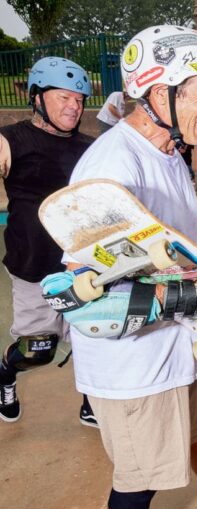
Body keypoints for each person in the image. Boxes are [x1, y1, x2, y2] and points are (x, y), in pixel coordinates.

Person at [40, 26, 197, 509]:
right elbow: (83, 295)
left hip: (178, 345)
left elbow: (161, 253)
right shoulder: (112, 167)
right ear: (159, 93)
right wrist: (195, 294)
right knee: (139, 483)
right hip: (133, 367)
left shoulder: (170, 152)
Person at [0, 56, 97, 426]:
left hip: (82, 267)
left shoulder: (91, 148)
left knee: (95, 339)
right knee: (37, 350)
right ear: (38, 97)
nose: (74, 107)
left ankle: (92, 402)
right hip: (33, 266)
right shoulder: (13, 139)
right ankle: (4, 373)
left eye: (79, 100)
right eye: (63, 98)